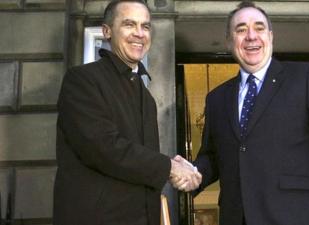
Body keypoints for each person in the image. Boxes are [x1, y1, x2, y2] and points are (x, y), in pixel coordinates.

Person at [174, 1, 309, 225]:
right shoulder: (216, 98)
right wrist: (192, 171)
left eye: (259, 28)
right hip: (237, 217)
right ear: (230, 41)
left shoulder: (306, 76)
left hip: (299, 216)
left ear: (270, 36)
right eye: (241, 30)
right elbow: (213, 156)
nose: (251, 36)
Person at [53, 1, 200, 225]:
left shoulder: (146, 97)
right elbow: (103, 147)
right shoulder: (82, 80)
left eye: (146, 26)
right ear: (106, 31)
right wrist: (169, 167)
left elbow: (135, 157)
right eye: (129, 25)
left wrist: (175, 165)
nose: (139, 34)